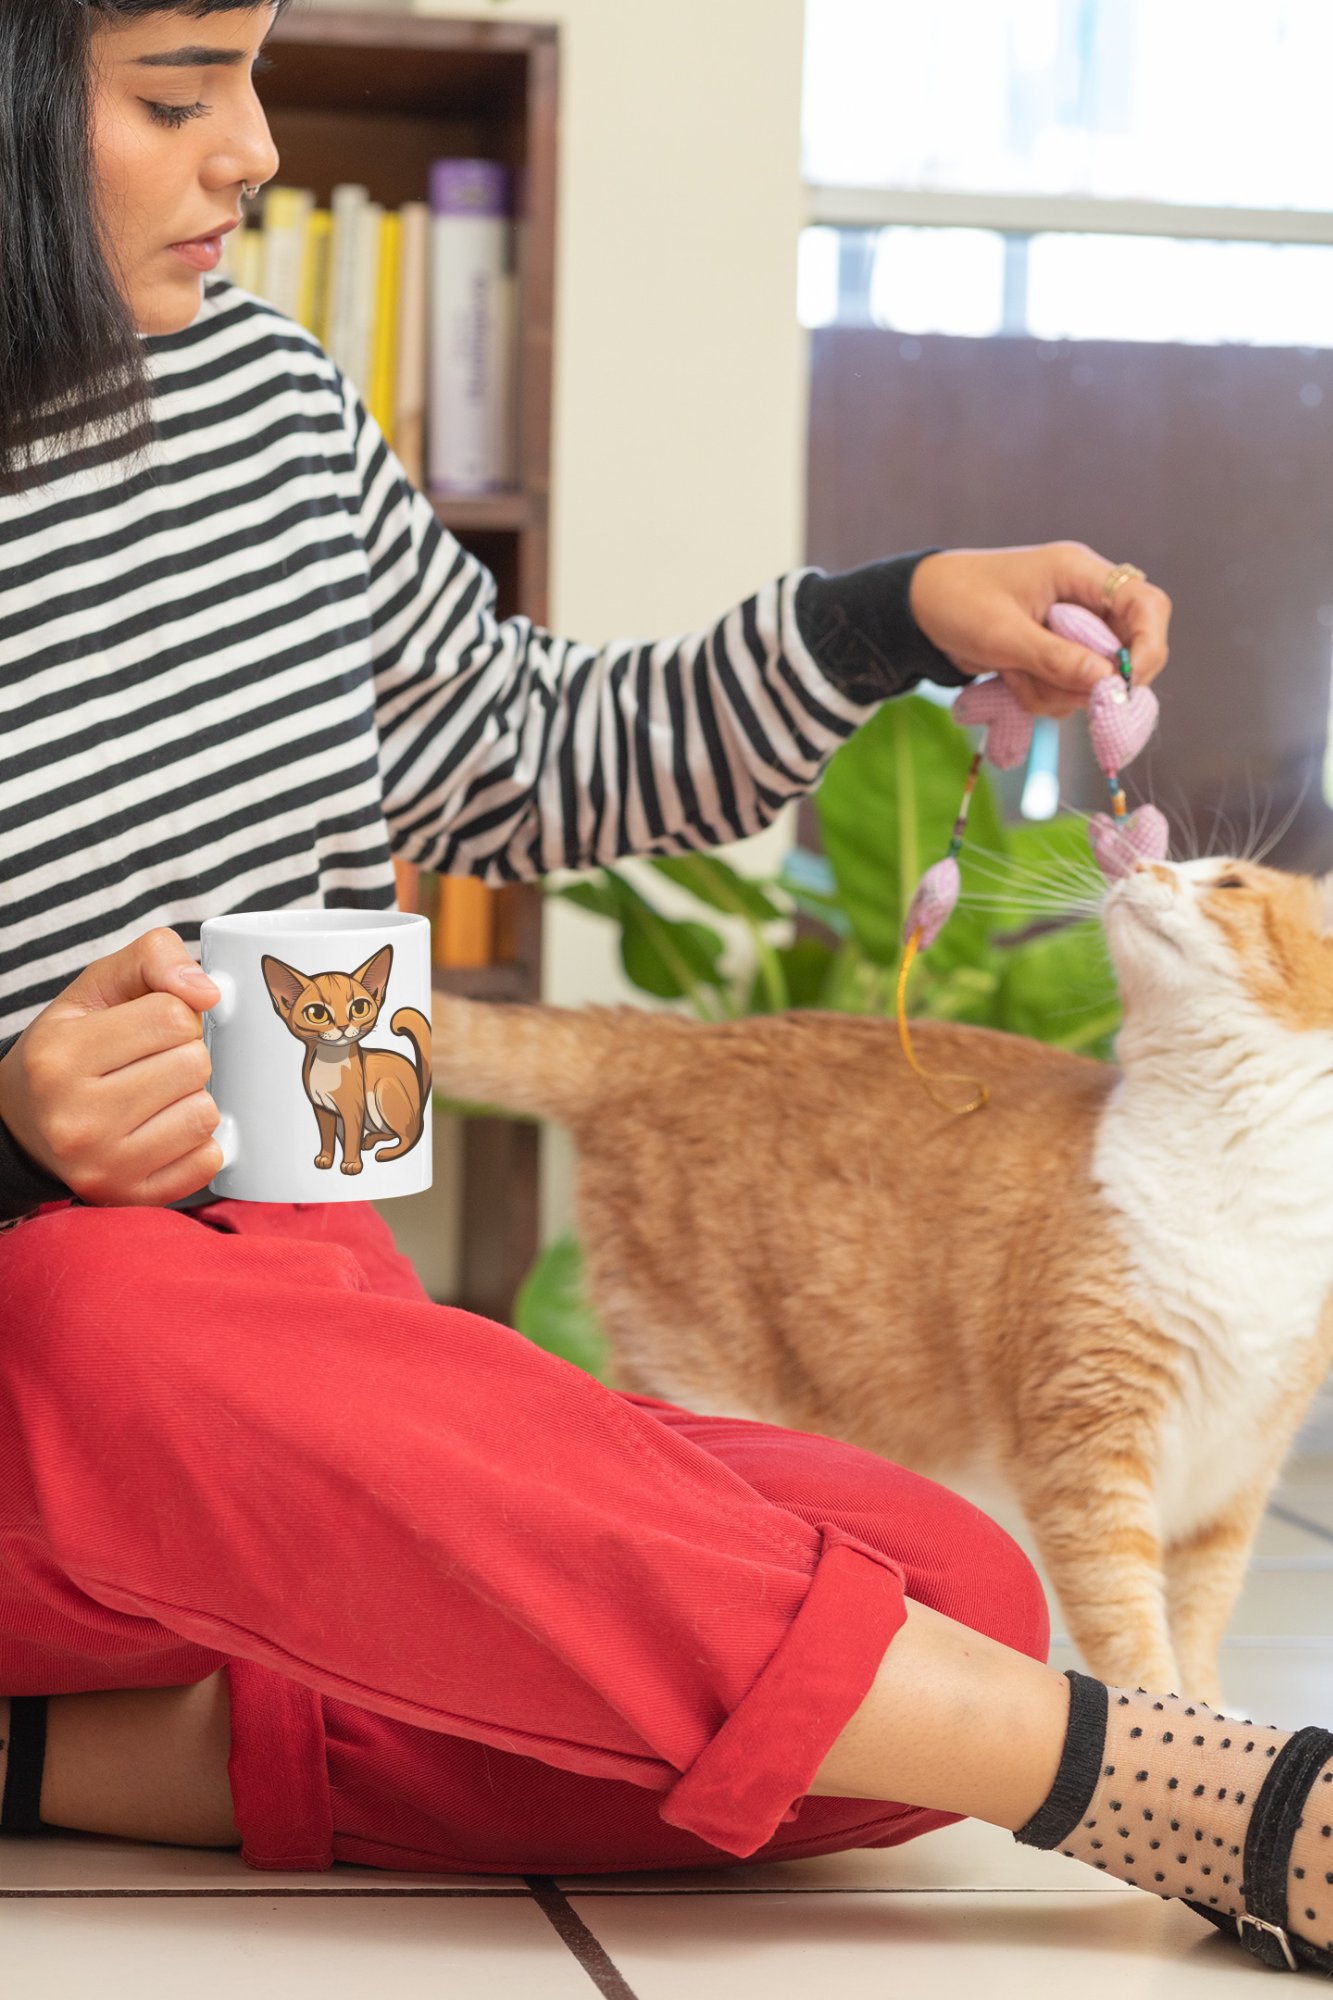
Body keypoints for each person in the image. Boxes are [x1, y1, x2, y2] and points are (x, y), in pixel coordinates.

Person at [9, 1, 1327, 1980]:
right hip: (84, 1375)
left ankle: (65, 1757)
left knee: (935, 1574)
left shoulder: (269, 403)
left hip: (325, 1338)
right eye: (180, 95)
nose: (255, 149)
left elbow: (532, 754)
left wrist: (889, 617)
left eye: (254, 79)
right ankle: (1142, 1779)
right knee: (108, 1314)